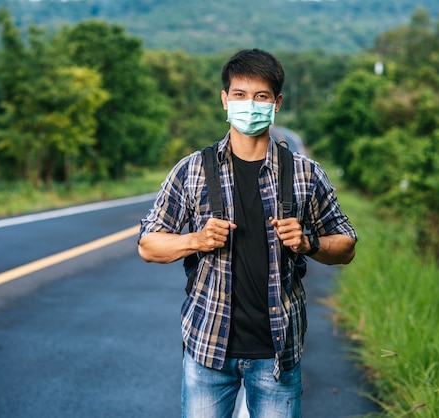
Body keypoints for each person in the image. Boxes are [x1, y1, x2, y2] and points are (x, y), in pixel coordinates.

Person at [138, 48, 357, 418]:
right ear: (225, 100)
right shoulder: (192, 170)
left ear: (277, 103)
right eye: (239, 95)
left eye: (261, 96)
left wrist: (309, 242)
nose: (249, 105)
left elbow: (347, 244)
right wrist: (196, 240)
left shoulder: (304, 173)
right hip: (208, 348)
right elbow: (148, 244)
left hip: (278, 352)